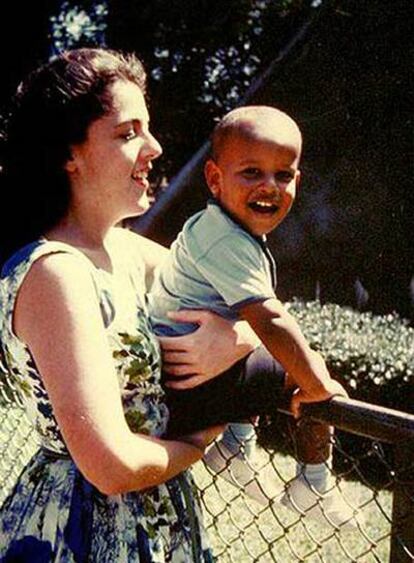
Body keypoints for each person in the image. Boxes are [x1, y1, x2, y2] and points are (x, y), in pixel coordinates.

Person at [0, 47, 262, 562]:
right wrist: (198, 443)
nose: (154, 146)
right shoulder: (56, 272)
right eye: (128, 133)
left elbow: (257, 300)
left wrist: (237, 337)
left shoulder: (125, 250)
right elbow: (111, 464)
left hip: (159, 520)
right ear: (68, 154)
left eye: (148, 128)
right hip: (80, 529)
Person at [148, 106, 358, 528]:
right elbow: (272, 321)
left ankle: (236, 444)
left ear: (297, 181)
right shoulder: (227, 240)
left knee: (261, 348)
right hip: (186, 381)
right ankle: (313, 486)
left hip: (181, 375)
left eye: (283, 175)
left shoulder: (220, 228)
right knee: (302, 364)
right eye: (251, 172)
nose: (270, 186)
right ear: (214, 179)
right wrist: (318, 386)